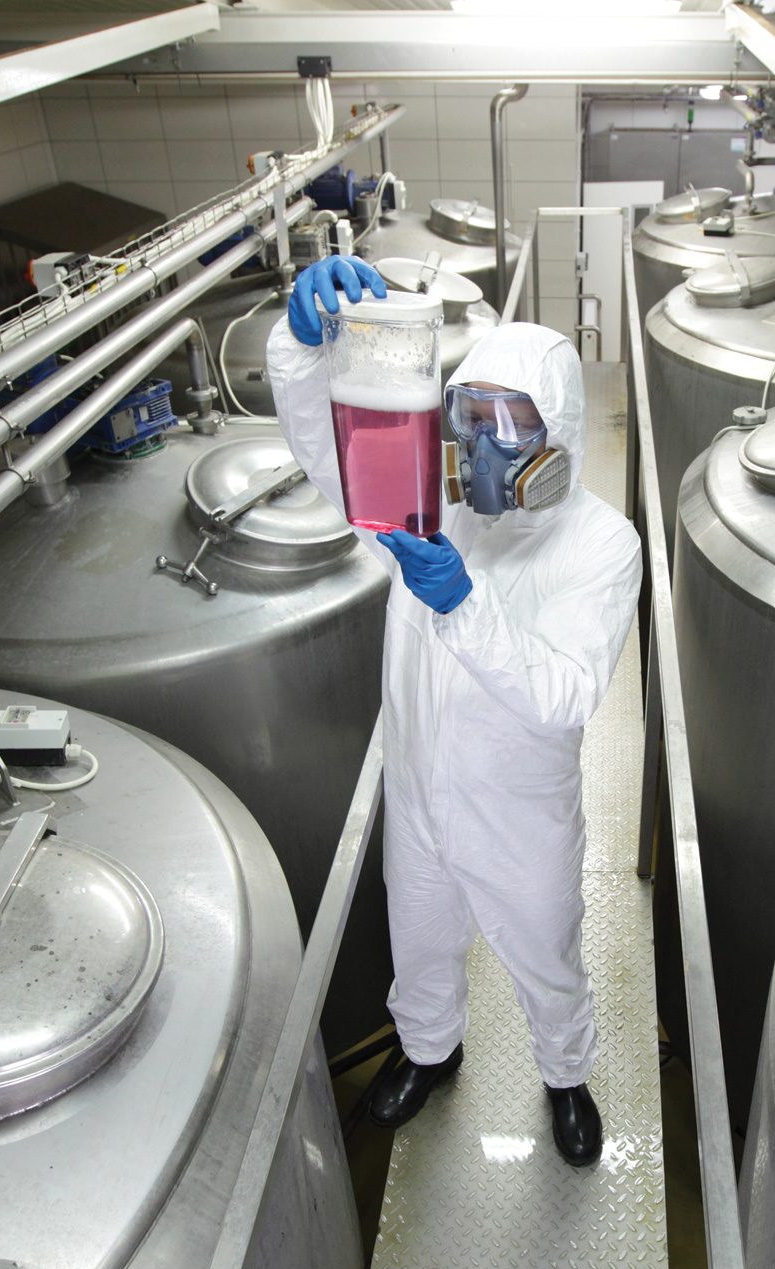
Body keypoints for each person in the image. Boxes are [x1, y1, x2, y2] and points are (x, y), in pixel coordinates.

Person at [268, 255, 641, 1167]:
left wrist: (463, 605)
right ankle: (429, 1051)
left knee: (546, 953)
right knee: (421, 939)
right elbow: (332, 459)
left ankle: (566, 1074)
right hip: (424, 789)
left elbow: (563, 696)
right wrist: (304, 352)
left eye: (510, 428)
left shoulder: (603, 545)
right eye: (469, 419)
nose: (483, 449)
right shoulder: (428, 500)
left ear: (558, 435)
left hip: (519, 809)